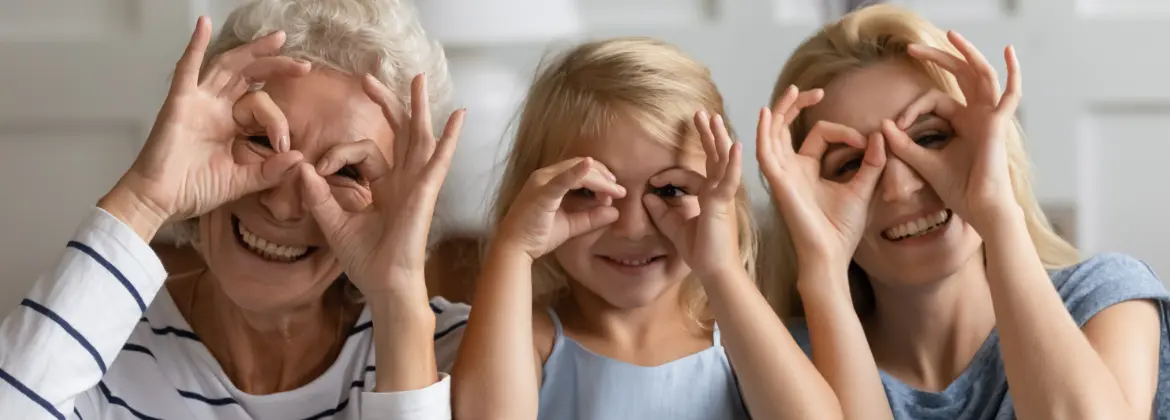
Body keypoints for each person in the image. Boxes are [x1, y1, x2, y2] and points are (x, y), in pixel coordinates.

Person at [0, 0, 470, 418]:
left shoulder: (457, 354)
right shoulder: (96, 346)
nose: (285, 205)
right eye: (263, 140)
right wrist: (145, 197)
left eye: (347, 172)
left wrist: (398, 303)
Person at [757, 4, 1170, 419]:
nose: (901, 188)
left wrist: (996, 209)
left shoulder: (1100, 300)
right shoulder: (780, 360)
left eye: (930, 138)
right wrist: (822, 269)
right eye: (850, 165)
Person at [451, 37, 843, 420]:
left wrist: (720, 268)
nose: (632, 227)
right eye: (590, 191)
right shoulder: (533, 339)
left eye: (671, 190)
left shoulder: (739, 342)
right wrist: (514, 250)